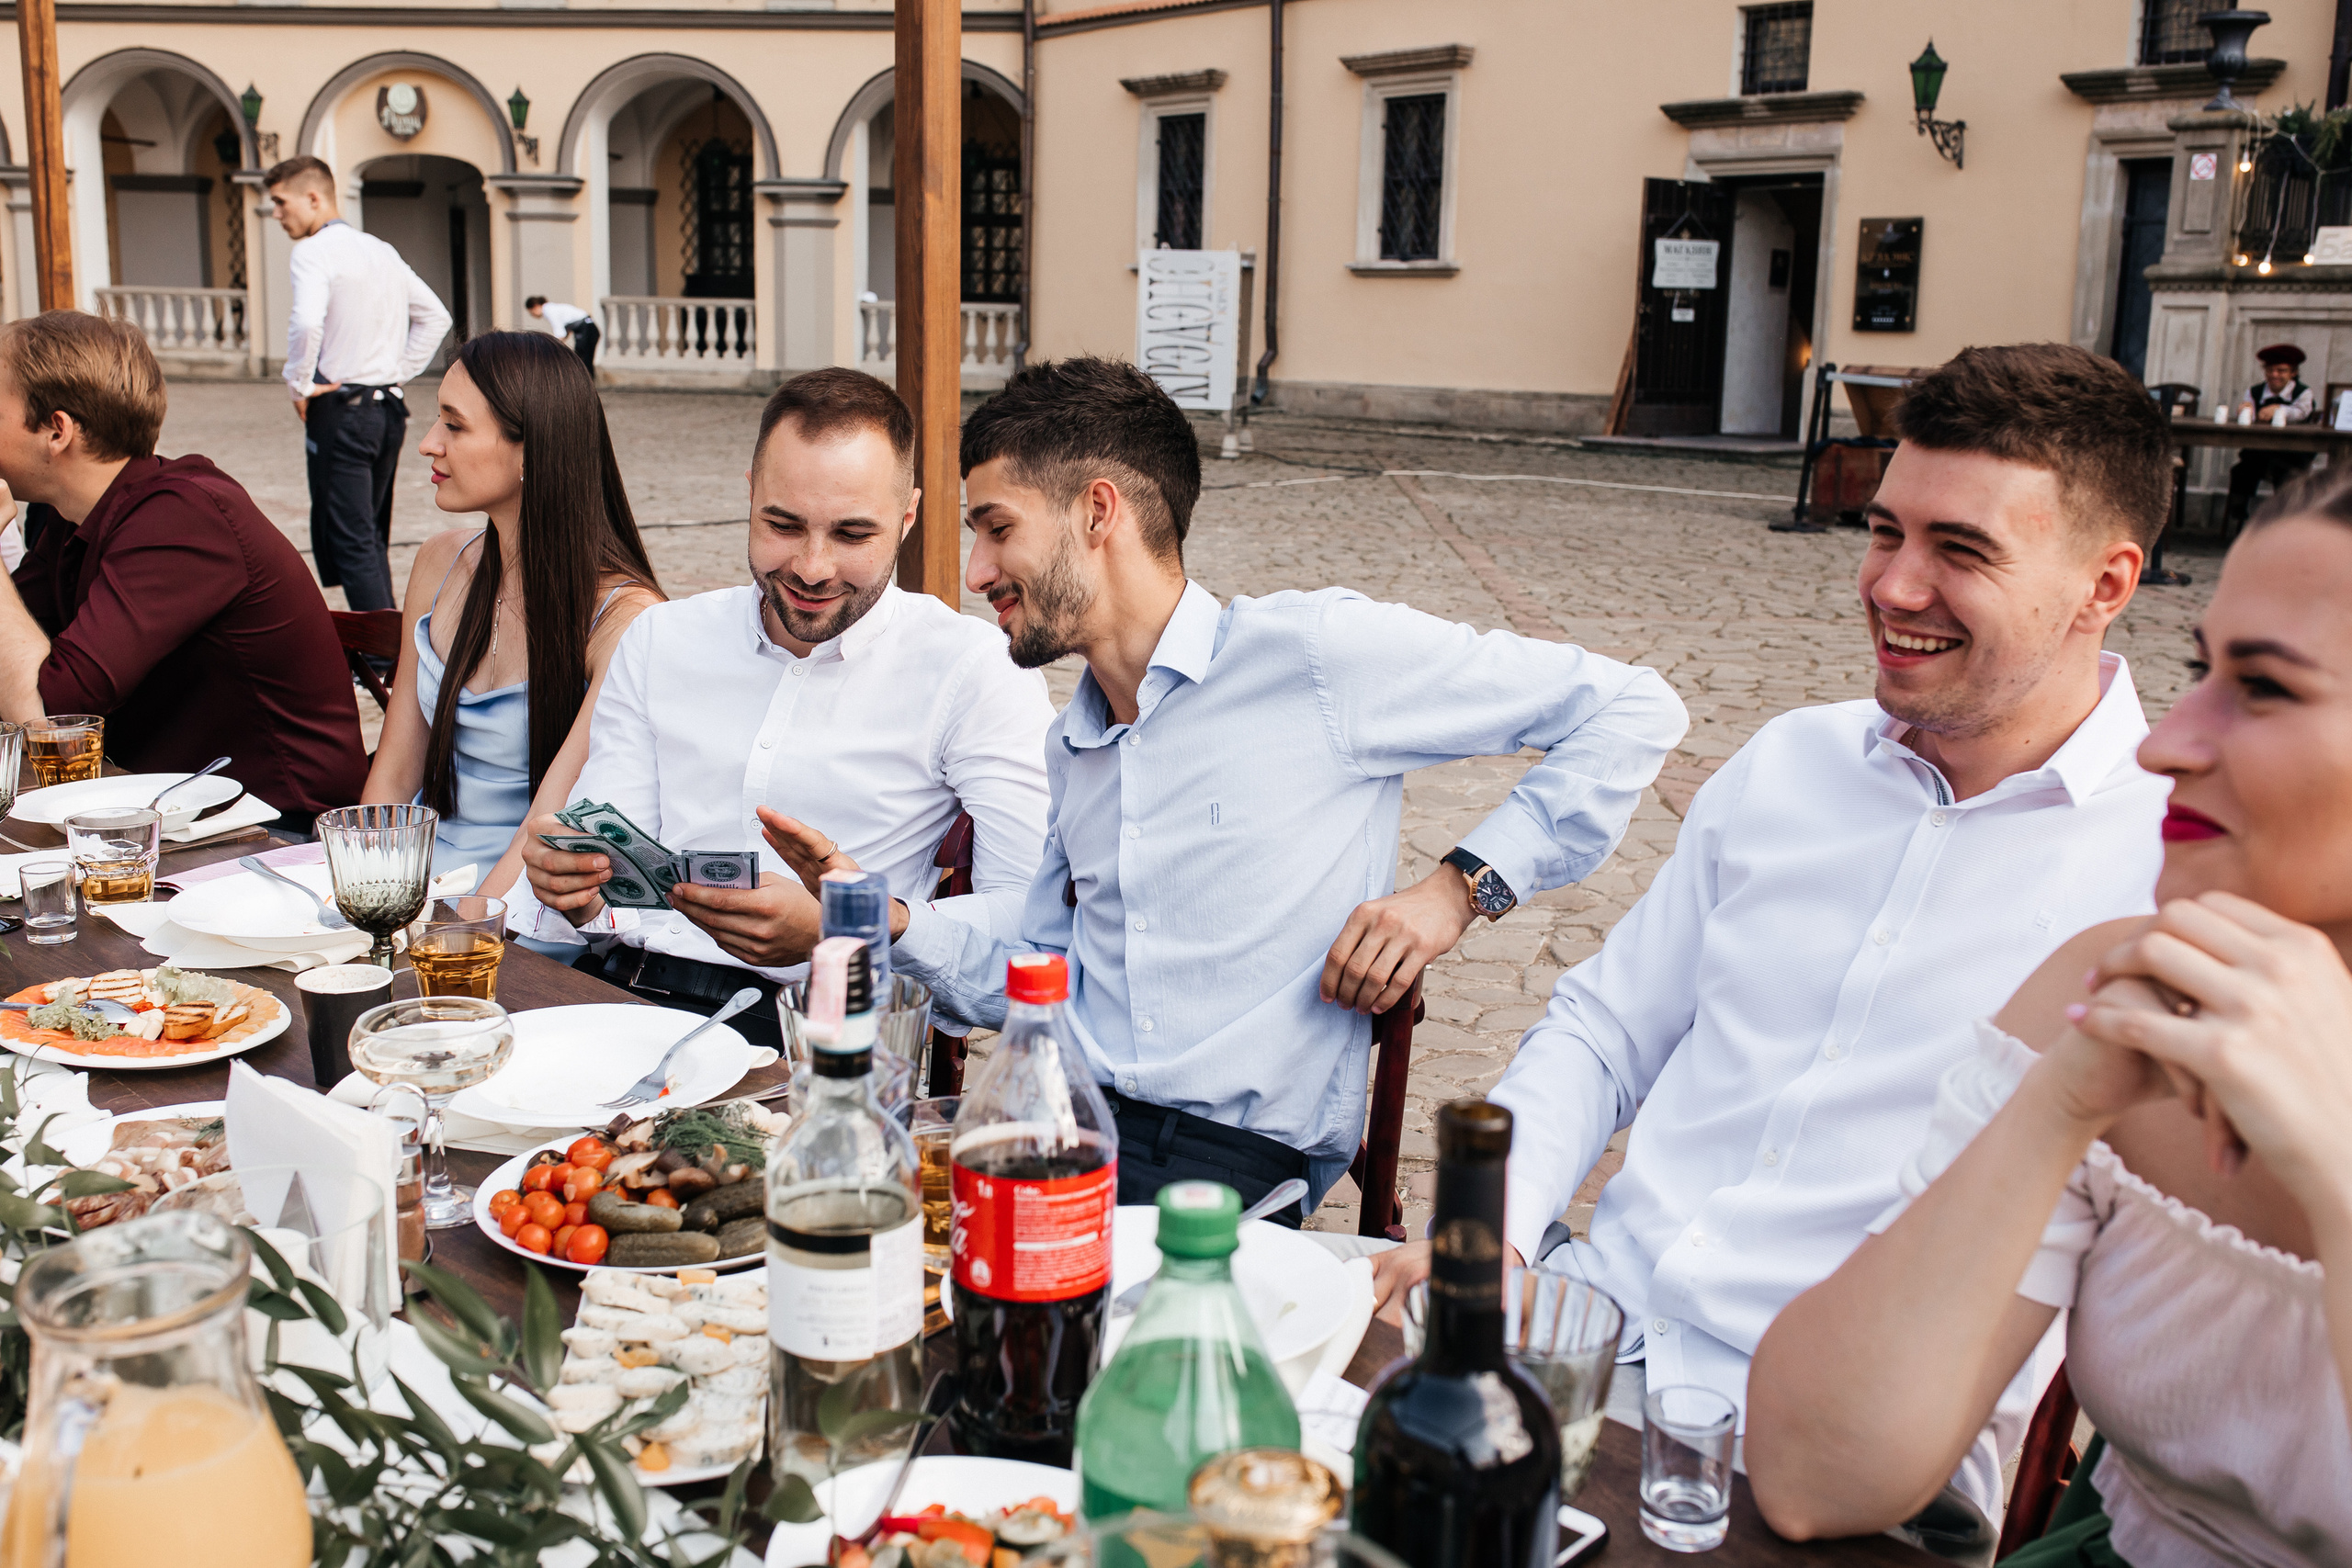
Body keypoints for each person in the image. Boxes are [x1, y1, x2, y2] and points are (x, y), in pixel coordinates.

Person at [1368, 343, 2177, 1527]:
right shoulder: (1793, 760)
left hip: (1838, 1461)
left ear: (2105, 584)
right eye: (1884, 531)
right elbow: (1606, 1028)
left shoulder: (2170, 865)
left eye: (1960, 551)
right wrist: (1493, 1233)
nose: (1894, 587)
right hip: (1587, 1334)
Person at [786, 355, 1687, 1223]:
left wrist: (1456, 890)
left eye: (996, 528)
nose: (976, 571)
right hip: (1073, 1124)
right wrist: (884, 917)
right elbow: (1042, 967)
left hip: (1231, 1161)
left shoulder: (1314, 658)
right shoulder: (1076, 744)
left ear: (1097, 511)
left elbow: (1631, 707)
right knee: (826, 1218)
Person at [1747, 464, 2352, 1563]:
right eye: (2201, 671)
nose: (2165, 743)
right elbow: (1812, 1476)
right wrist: (2058, 1101)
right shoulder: (2120, 986)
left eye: (2263, 688)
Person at [509, 367, 1054, 1049]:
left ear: (907, 518)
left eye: (852, 534)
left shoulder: (972, 668)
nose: (813, 567)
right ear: (750, 496)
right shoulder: (661, 637)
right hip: (624, 991)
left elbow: (1028, 924)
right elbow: (610, 875)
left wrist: (848, 923)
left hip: (821, 1030)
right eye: (783, 524)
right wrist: (575, 885)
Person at [0, 310, 367, 823]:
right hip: (160, 816)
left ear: (57, 430)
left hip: (278, 832)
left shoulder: (181, 515)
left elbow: (48, 721)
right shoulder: (75, 514)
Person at [359, 331, 662, 893]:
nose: (428, 444)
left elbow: (548, 829)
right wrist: (364, 890)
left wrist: (461, 927)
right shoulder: (440, 561)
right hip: (412, 876)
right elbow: (395, 775)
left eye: (454, 425)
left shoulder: (625, 617)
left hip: (525, 903)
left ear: (530, 449)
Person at [267, 155, 452, 614]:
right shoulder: (380, 249)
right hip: (388, 411)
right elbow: (436, 317)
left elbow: (306, 322)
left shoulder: (312, 251)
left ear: (314, 198)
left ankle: (380, 645)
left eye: (281, 201)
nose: (276, 213)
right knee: (369, 534)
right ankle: (386, 634)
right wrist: (394, 373)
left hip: (344, 410)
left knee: (351, 540)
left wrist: (299, 384)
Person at [2224, 342, 2319, 532]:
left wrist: (2279, 410)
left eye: (2281, 370)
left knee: (2286, 475)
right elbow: (2249, 413)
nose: (2274, 375)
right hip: (2260, 453)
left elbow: (2301, 413)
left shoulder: (2303, 393)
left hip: (2291, 454)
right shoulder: (2255, 391)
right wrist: (2246, 411)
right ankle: (2238, 517)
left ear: (2293, 373)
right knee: (2241, 471)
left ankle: (2285, 523)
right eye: (2270, 370)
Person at [525, 298, 599, 374]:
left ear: (535, 306)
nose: (532, 315)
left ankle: (586, 380)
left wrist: (551, 349)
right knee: (585, 359)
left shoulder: (549, 311)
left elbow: (560, 334)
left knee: (582, 360)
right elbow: (566, 332)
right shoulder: (552, 308)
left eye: (531, 312)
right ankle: (588, 379)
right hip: (588, 328)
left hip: (586, 329)